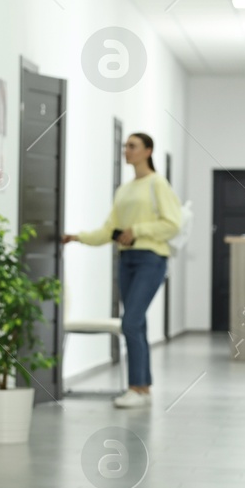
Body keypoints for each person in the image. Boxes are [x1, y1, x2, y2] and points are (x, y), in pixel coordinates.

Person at [62, 133, 184, 409]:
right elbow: (108, 230)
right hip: (126, 260)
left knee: (129, 321)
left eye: (132, 146)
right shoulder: (124, 190)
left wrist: (138, 230)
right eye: (125, 146)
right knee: (137, 323)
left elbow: (173, 224)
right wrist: (76, 237)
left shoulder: (158, 184)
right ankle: (142, 387)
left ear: (147, 151)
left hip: (151, 259)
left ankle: (135, 388)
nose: (126, 151)